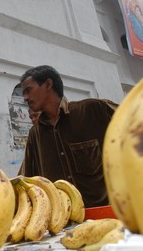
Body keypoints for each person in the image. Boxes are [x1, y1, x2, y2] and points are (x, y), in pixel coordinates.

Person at [18, 65, 117, 208]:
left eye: (28, 90)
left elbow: (134, 123)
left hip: (109, 216)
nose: (25, 98)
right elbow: (26, 180)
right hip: (65, 224)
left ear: (48, 84)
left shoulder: (93, 110)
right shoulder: (35, 135)